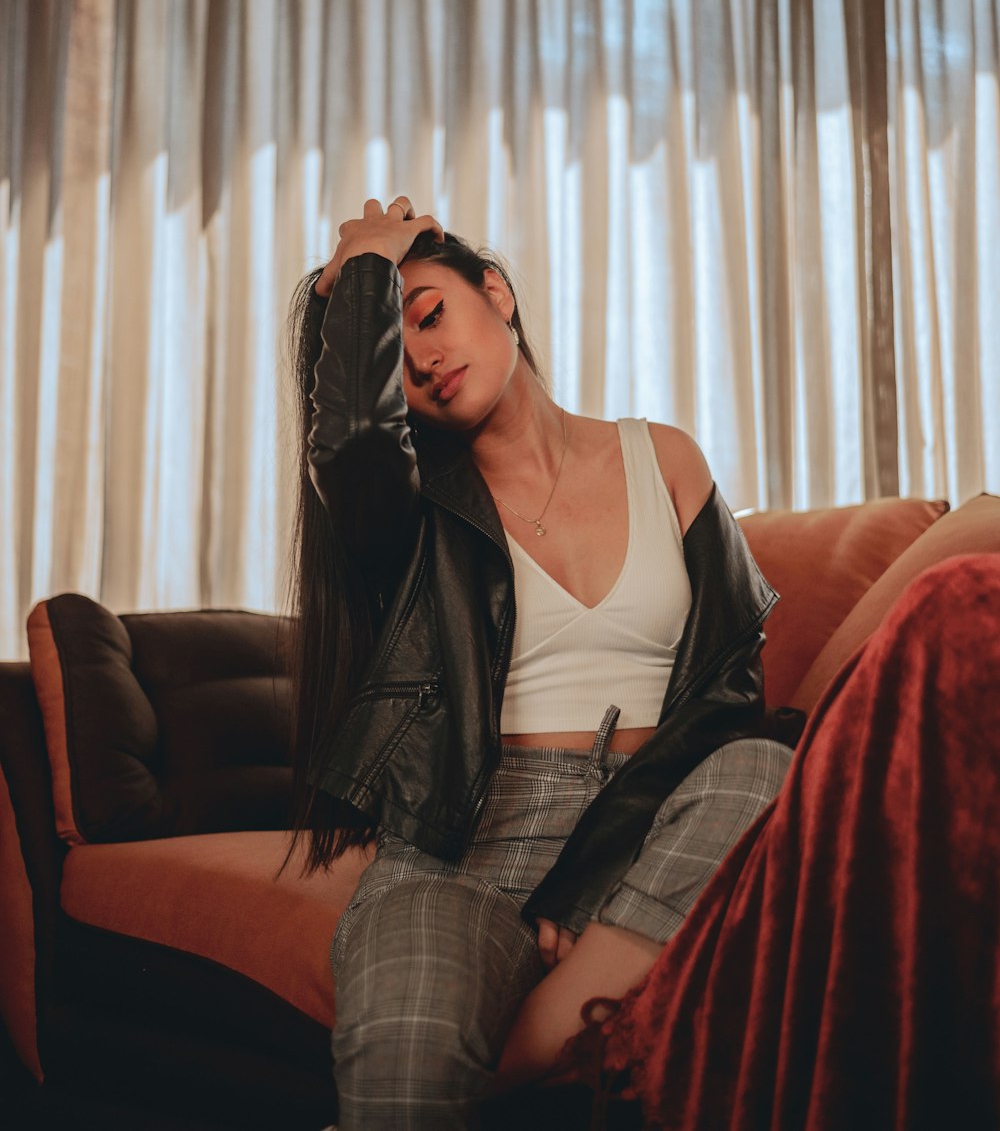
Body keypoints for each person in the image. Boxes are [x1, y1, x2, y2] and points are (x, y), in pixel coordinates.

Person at [285, 195, 803, 1130]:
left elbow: (732, 685)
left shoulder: (663, 458)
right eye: (394, 351)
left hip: (653, 823)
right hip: (463, 842)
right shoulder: (410, 511)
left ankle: (461, 1097)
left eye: (432, 313)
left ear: (500, 295)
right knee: (407, 1047)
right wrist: (366, 260)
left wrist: (596, 859)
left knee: (762, 770)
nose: (425, 358)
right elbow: (354, 443)